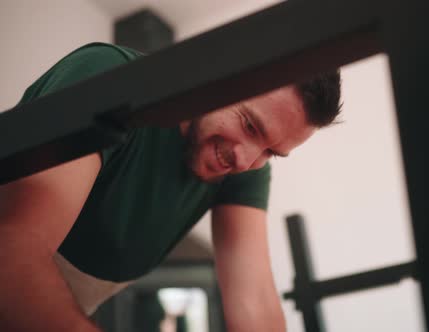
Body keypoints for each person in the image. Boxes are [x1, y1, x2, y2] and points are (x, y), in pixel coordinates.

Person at [0, 42, 342, 331]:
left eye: (271, 152)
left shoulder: (244, 168)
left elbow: (253, 302)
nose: (245, 160)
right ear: (213, 71)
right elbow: (14, 250)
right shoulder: (108, 77)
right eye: (250, 125)